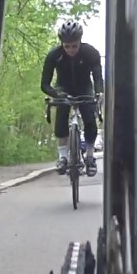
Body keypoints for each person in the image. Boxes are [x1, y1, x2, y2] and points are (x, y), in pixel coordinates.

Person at [41, 20, 103, 176]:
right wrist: (56, 95)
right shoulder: (54, 55)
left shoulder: (91, 52)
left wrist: (99, 93)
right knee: (61, 113)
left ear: (80, 41)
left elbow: (97, 77)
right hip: (63, 87)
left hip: (84, 87)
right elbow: (44, 84)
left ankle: (90, 157)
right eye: (67, 46)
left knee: (90, 119)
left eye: (74, 46)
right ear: (62, 44)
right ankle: (62, 157)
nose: (71, 50)